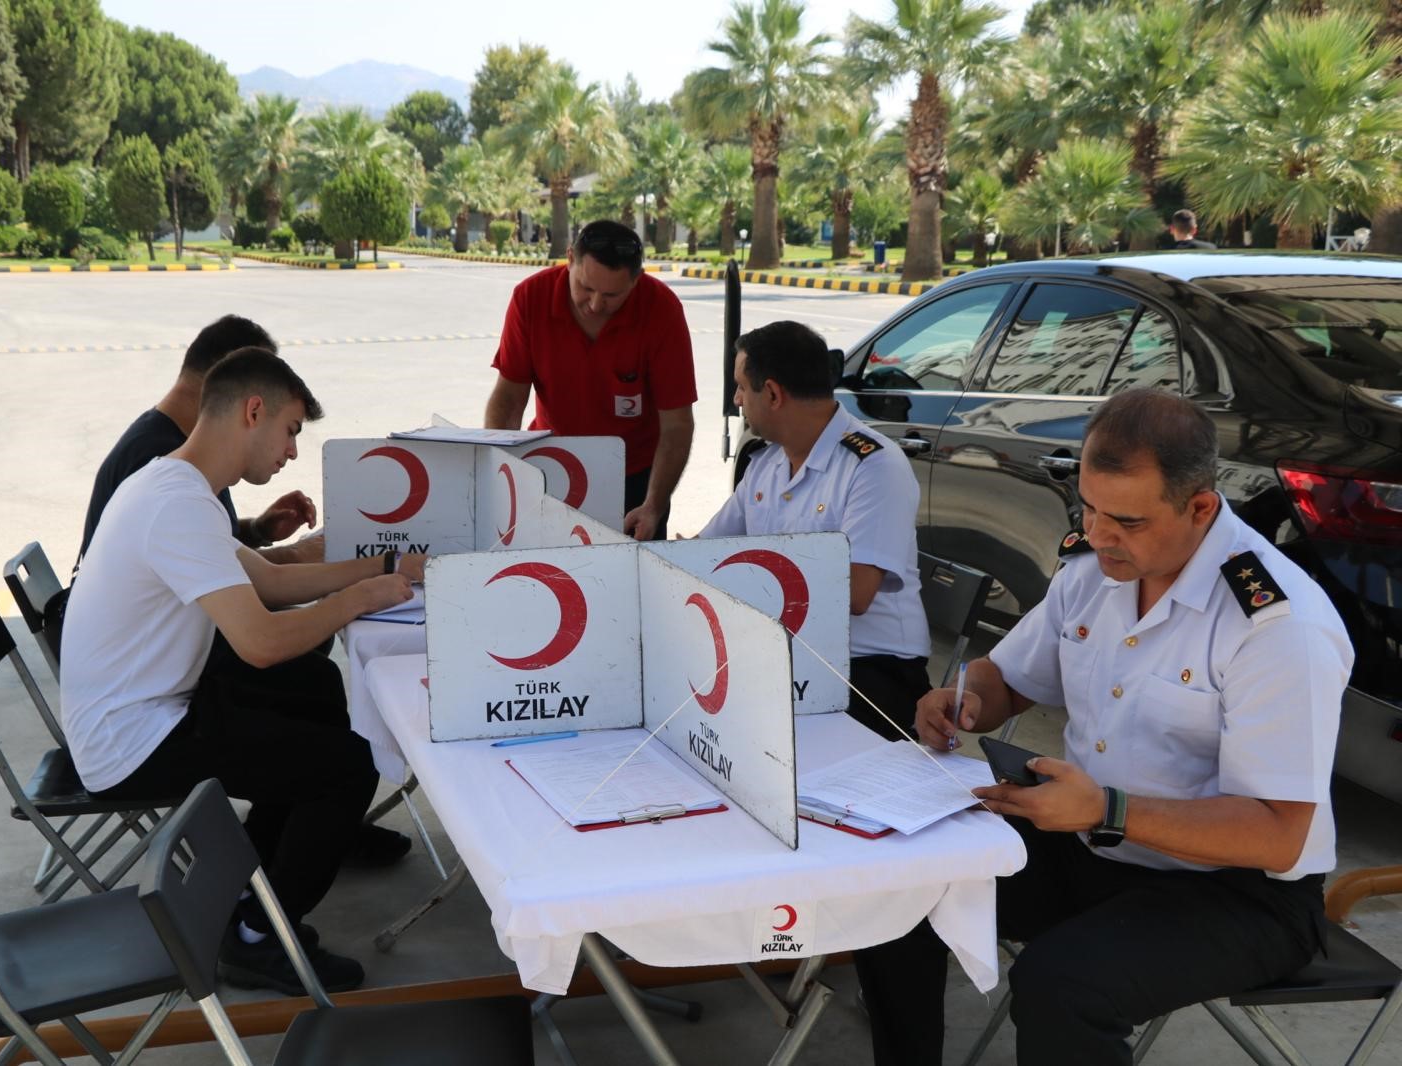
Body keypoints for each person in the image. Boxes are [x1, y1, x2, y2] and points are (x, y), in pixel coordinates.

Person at [854, 389, 1350, 1066]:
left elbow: (1278, 833)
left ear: (1200, 507)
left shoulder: (1276, 625)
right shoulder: (1098, 570)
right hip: (1091, 841)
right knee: (900, 886)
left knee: (1061, 986)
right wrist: (963, 695)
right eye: (1087, 506)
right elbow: (1010, 679)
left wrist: (1107, 808)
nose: (1097, 532)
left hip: (1237, 892)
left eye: (1126, 520)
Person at [61, 348, 425, 995]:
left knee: (313, 693)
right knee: (348, 764)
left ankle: (248, 896)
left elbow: (275, 581)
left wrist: (383, 567)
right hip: (132, 740)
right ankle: (260, 935)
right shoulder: (175, 503)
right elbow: (259, 640)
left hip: (152, 708)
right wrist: (358, 600)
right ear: (252, 411)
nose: (289, 452)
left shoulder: (170, 484)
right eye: (289, 430)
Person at [699, 321, 930, 740]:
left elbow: (856, 593)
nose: (736, 401)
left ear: (771, 393)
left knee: (746, 739)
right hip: (788, 652)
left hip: (866, 667)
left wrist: (738, 577)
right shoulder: (767, 463)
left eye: (740, 389)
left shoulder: (875, 467)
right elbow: (704, 553)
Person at [484, 219, 696, 540]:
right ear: (569, 259)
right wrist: (500, 478)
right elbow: (510, 399)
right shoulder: (530, 298)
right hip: (550, 465)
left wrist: (654, 505)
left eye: (612, 294)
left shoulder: (662, 309)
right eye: (586, 287)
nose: (596, 305)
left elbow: (677, 425)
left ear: (637, 281)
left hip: (634, 478)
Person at [77, 314, 322, 566]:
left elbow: (194, 540)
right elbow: (220, 575)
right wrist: (303, 554)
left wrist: (258, 530)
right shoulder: (159, 457)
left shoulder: (176, 439)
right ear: (230, 379)